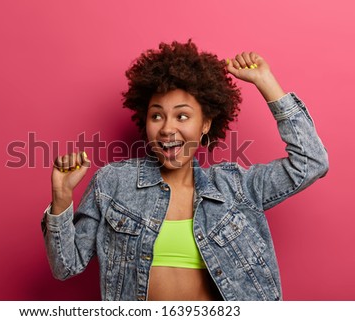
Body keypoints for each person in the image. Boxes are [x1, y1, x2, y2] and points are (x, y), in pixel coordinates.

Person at [41, 40, 329, 301]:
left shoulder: (236, 188)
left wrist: (265, 82)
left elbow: (311, 162)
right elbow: (66, 266)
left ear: (205, 125)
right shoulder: (113, 183)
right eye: (157, 115)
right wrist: (62, 197)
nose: (167, 128)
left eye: (182, 116)